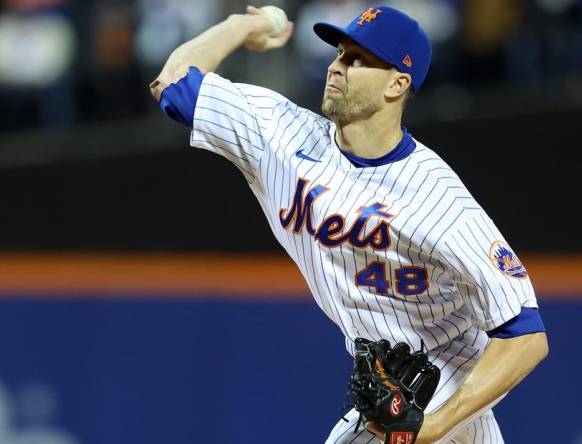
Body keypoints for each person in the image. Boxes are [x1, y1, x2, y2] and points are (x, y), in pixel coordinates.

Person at [149, 5, 548, 443]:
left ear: (398, 84)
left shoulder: (439, 200)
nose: (337, 67)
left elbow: (526, 337)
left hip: (445, 391)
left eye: (358, 60)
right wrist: (243, 26)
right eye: (339, 54)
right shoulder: (281, 135)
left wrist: (431, 428)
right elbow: (172, 84)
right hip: (385, 399)